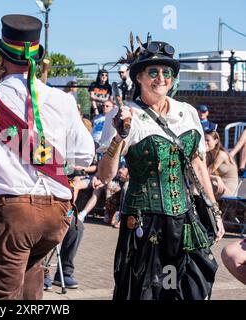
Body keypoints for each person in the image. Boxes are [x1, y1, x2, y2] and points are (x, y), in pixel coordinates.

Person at [0, 14, 94, 300]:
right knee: (31, 283)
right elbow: (85, 153)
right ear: (36, 58)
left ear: (1, 57)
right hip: (56, 216)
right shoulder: (63, 100)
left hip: (12, 214)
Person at [98, 37, 225, 300]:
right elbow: (105, 175)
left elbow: (198, 166)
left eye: (166, 72)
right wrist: (119, 137)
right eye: (153, 72)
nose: (161, 78)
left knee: (189, 287)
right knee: (146, 290)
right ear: (139, 78)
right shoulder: (124, 114)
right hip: (145, 219)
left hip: (184, 217)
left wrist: (214, 210)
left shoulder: (187, 112)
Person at [205, 130, 238, 198]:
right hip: (218, 183)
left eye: (207, 140)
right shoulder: (209, 154)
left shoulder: (221, 155)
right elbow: (203, 172)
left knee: (201, 185)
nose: (205, 143)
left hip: (228, 187)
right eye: (204, 140)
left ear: (216, 141)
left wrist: (216, 178)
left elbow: (205, 173)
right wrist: (216, 178)